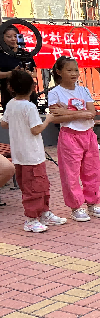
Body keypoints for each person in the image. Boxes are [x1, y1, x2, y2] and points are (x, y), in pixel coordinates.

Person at [0, 70, 65, 232]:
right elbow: (36, 130)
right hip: (32, 156)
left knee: (36, 185)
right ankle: (30, 219)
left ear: (11, 88)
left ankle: (44, 212)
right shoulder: (29, 107)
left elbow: (4, 123)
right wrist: (48, 119)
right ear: (33, 87)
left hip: (20, 155)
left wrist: (17, 125)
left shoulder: (10, 104)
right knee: (35, 187)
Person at [47, 57, 100, 222]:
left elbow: (92, 112)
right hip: (69, 135)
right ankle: (76, 207)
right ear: (59, 72)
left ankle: (92, 203)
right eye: (69, 70)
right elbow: (55, 117)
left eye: (76, 70)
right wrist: (80, 114)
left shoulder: (84, 90)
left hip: (88, 134)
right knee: (71, 174)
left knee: (92, 170)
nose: (74, 73)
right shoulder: (55, 93)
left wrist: (67, 113)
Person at [0, 24, 37, 111]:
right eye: (9, 36)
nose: (13, 39)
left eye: (15, 36)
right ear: (2, 38)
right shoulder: (1, 55)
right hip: (9, 94)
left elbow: (34, 73)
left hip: (28, 94)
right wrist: (12, 73)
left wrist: (28, 74)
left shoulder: (25, 54)